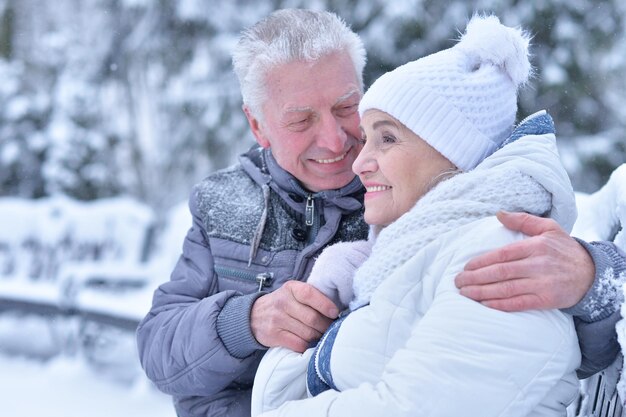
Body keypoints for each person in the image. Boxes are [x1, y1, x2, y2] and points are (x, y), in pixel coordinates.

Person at [136, 9, 624, 417]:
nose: (338, 142)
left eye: (347, 108)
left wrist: (592, 273)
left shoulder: (411, 192)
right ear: (258, 125)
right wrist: (246, 322)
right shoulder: (225, 203)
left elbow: (536, 288)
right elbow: (160, 348)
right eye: (301, 120)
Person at [251, 15, 581, 417]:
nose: (359, 162)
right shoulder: (403, 259)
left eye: (386, 138)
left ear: (454, 153)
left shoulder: (500, 257)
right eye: (367, 136)